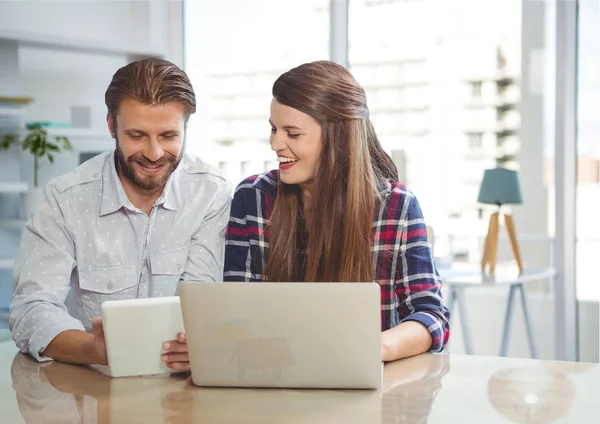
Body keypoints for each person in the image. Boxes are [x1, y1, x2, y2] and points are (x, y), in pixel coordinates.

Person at [9, 58, 231, 371]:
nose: (154, 153)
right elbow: (31, 309)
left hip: (182, 386)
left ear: (186, 128)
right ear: (112, 126)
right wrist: (95, 349)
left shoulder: (209, 192)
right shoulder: (65, 199)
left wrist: (198, 342)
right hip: (93, 385)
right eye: (137, 135)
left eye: (168, 136)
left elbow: (203, 301)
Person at [223, 60, 449, 361]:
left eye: (292, 133)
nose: (276, 143)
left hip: (368, 389)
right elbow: (234, 312)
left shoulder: (397, 206)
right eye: (274, 129)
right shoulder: (252, 199)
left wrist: (372, 347)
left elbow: (431, 316)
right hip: (274, 382)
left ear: (337, 136)